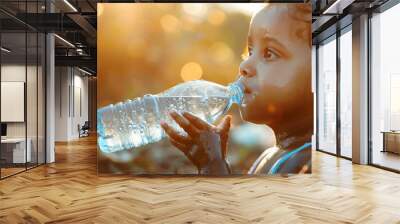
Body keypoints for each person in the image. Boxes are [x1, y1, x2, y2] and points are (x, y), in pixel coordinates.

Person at [160, 3, 313, 175]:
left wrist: (213, 166)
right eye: (250, 52)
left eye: (269, 53)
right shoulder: (270, 155)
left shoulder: (309, 163)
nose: (244, 65)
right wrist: (213, 161)